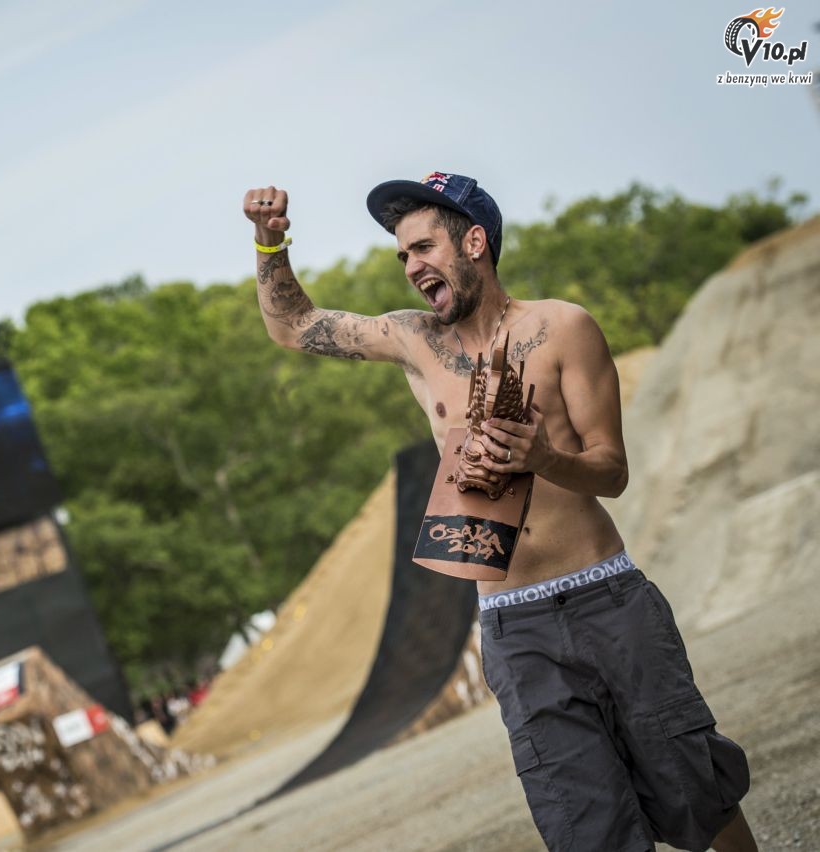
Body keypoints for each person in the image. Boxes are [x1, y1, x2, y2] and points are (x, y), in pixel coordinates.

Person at [243, 173, 757, 852]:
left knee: (695, 788)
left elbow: (612, 471)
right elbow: (295, 326)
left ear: (474, 242)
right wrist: (269, 243)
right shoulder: (415, 340)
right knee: (587, 827)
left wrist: (543, 458)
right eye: (402, 255)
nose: (411, 266)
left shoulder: (563, 328)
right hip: (515, 627)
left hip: (607, 599)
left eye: (423, 247)